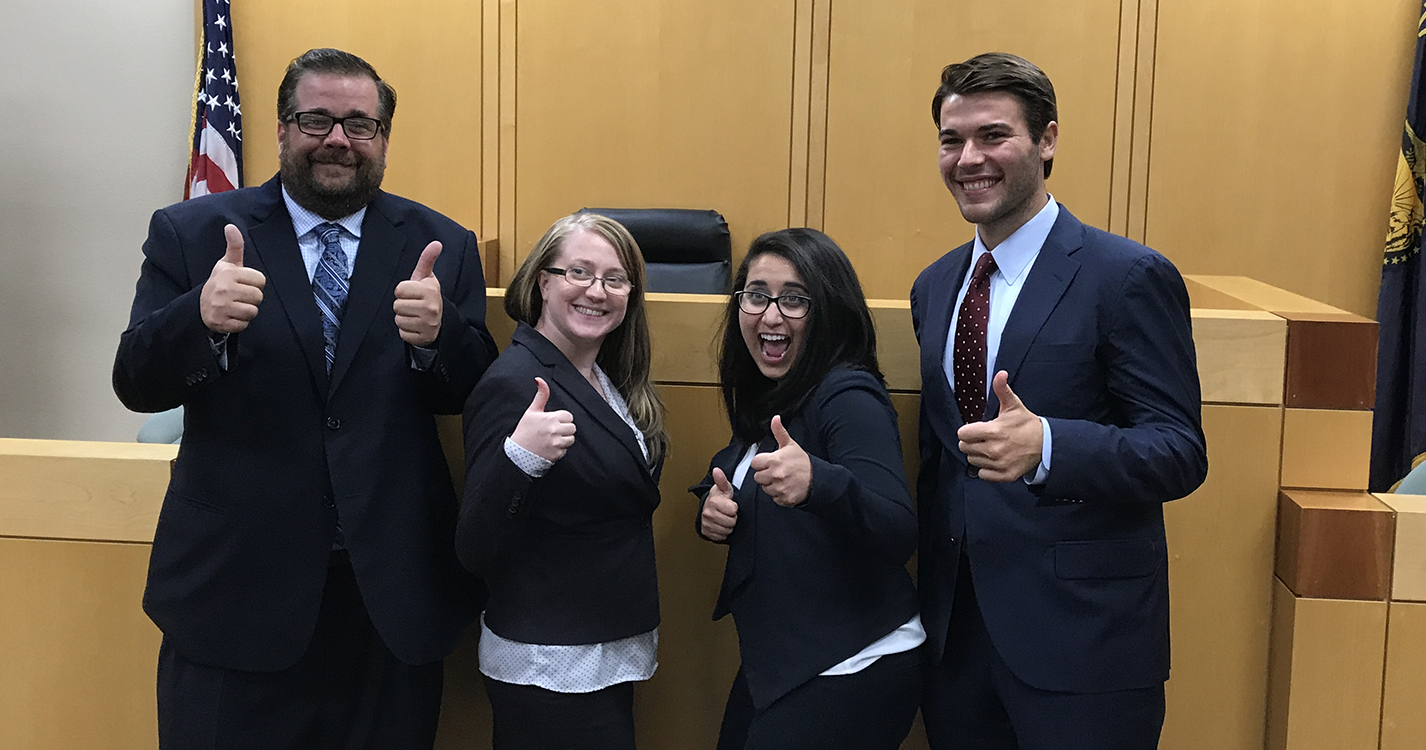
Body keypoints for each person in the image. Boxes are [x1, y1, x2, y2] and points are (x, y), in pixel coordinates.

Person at [112, 48, 498, 749]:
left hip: (389, 598)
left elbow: (476, 393)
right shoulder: (193, 233)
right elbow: (135, 381)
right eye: (316, 119)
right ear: (283, 129)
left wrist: (440, 339)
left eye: (360, 124)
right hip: (234, 593)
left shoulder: (441, 244)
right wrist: (196, 318)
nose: (338, 140)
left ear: (383, 137)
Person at [911, 52, 1208, 749]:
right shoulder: (935, 287)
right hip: (957, 644)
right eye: (952, 140)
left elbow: (1178, 451)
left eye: (993, 136)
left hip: (1085, 646)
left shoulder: (1126, 276)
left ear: (1046, 141)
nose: (968, 158)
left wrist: (1049, 446)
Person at [693, 228, 922, 750]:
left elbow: (896, 529)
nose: (771, 315)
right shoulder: (774, 390)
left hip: (855, 661)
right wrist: (713, 503)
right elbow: (745, 467)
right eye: (756, 295)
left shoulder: (847, 394)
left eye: (795, 300)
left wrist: (822, 481)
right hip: (787, 660)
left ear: (827, 311)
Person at [457, 212, 668, 750]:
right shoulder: (515, 384)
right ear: (542, 282)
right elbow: (475, 545)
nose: (597, 291)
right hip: (550, 662)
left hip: (602, 647)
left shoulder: (601, 375)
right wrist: (519, 460)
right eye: (579, 272)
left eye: (615, 279)